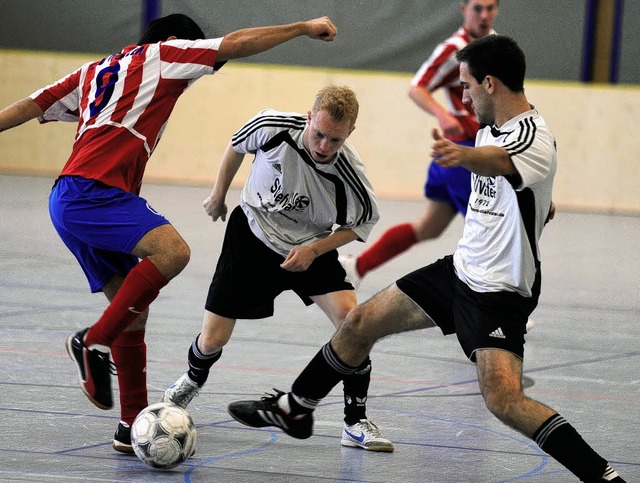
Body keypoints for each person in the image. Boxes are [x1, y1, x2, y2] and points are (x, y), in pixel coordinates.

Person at [226, 35, 625, 482]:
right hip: (458, 272)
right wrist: (535, 203)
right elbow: (518, 185)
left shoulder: (530, 136)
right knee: (358, 323)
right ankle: (295, 409)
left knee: (504, 401)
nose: (464, 95)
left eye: (467, 86)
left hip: (498, 292)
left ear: (490, 84)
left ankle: (604, 477)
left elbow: (500, 161)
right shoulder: (490, 126)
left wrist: (464, 156)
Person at [0, 13, 338, 454]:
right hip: (95, 192)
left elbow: (30, 105)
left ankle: (129, 426)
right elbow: (234, 43)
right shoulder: (163, 54)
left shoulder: (94, 71)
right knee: (173, 252)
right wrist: (302, 28)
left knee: (132, 312)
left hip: (67, 199)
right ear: (177, 41)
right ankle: (92, 342)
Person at [162, 85, 394, 452]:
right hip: (250, 239)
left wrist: (314, 250)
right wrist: (219, 194)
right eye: (318, 134)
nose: (323, 147)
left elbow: (360, 226)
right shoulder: (272, 127)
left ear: (350, 133)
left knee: (356, 326)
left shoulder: (351, 176)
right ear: (308, 117)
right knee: (213, 339)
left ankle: (355, 422)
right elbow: (236, 146)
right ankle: (192, 379)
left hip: (309, 249)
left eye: (335, 140)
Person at [339, 0, 499, 288]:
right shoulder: (455, 49)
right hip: (461, 154)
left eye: (490, 8)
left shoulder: (497, 47)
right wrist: (444, 115)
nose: (484, 15)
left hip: (468, 152)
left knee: (429, 227)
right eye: (478, 8)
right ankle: (496, 304)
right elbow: (417, 87)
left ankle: (357, 266)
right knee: (490, 228)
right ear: (464, 10)